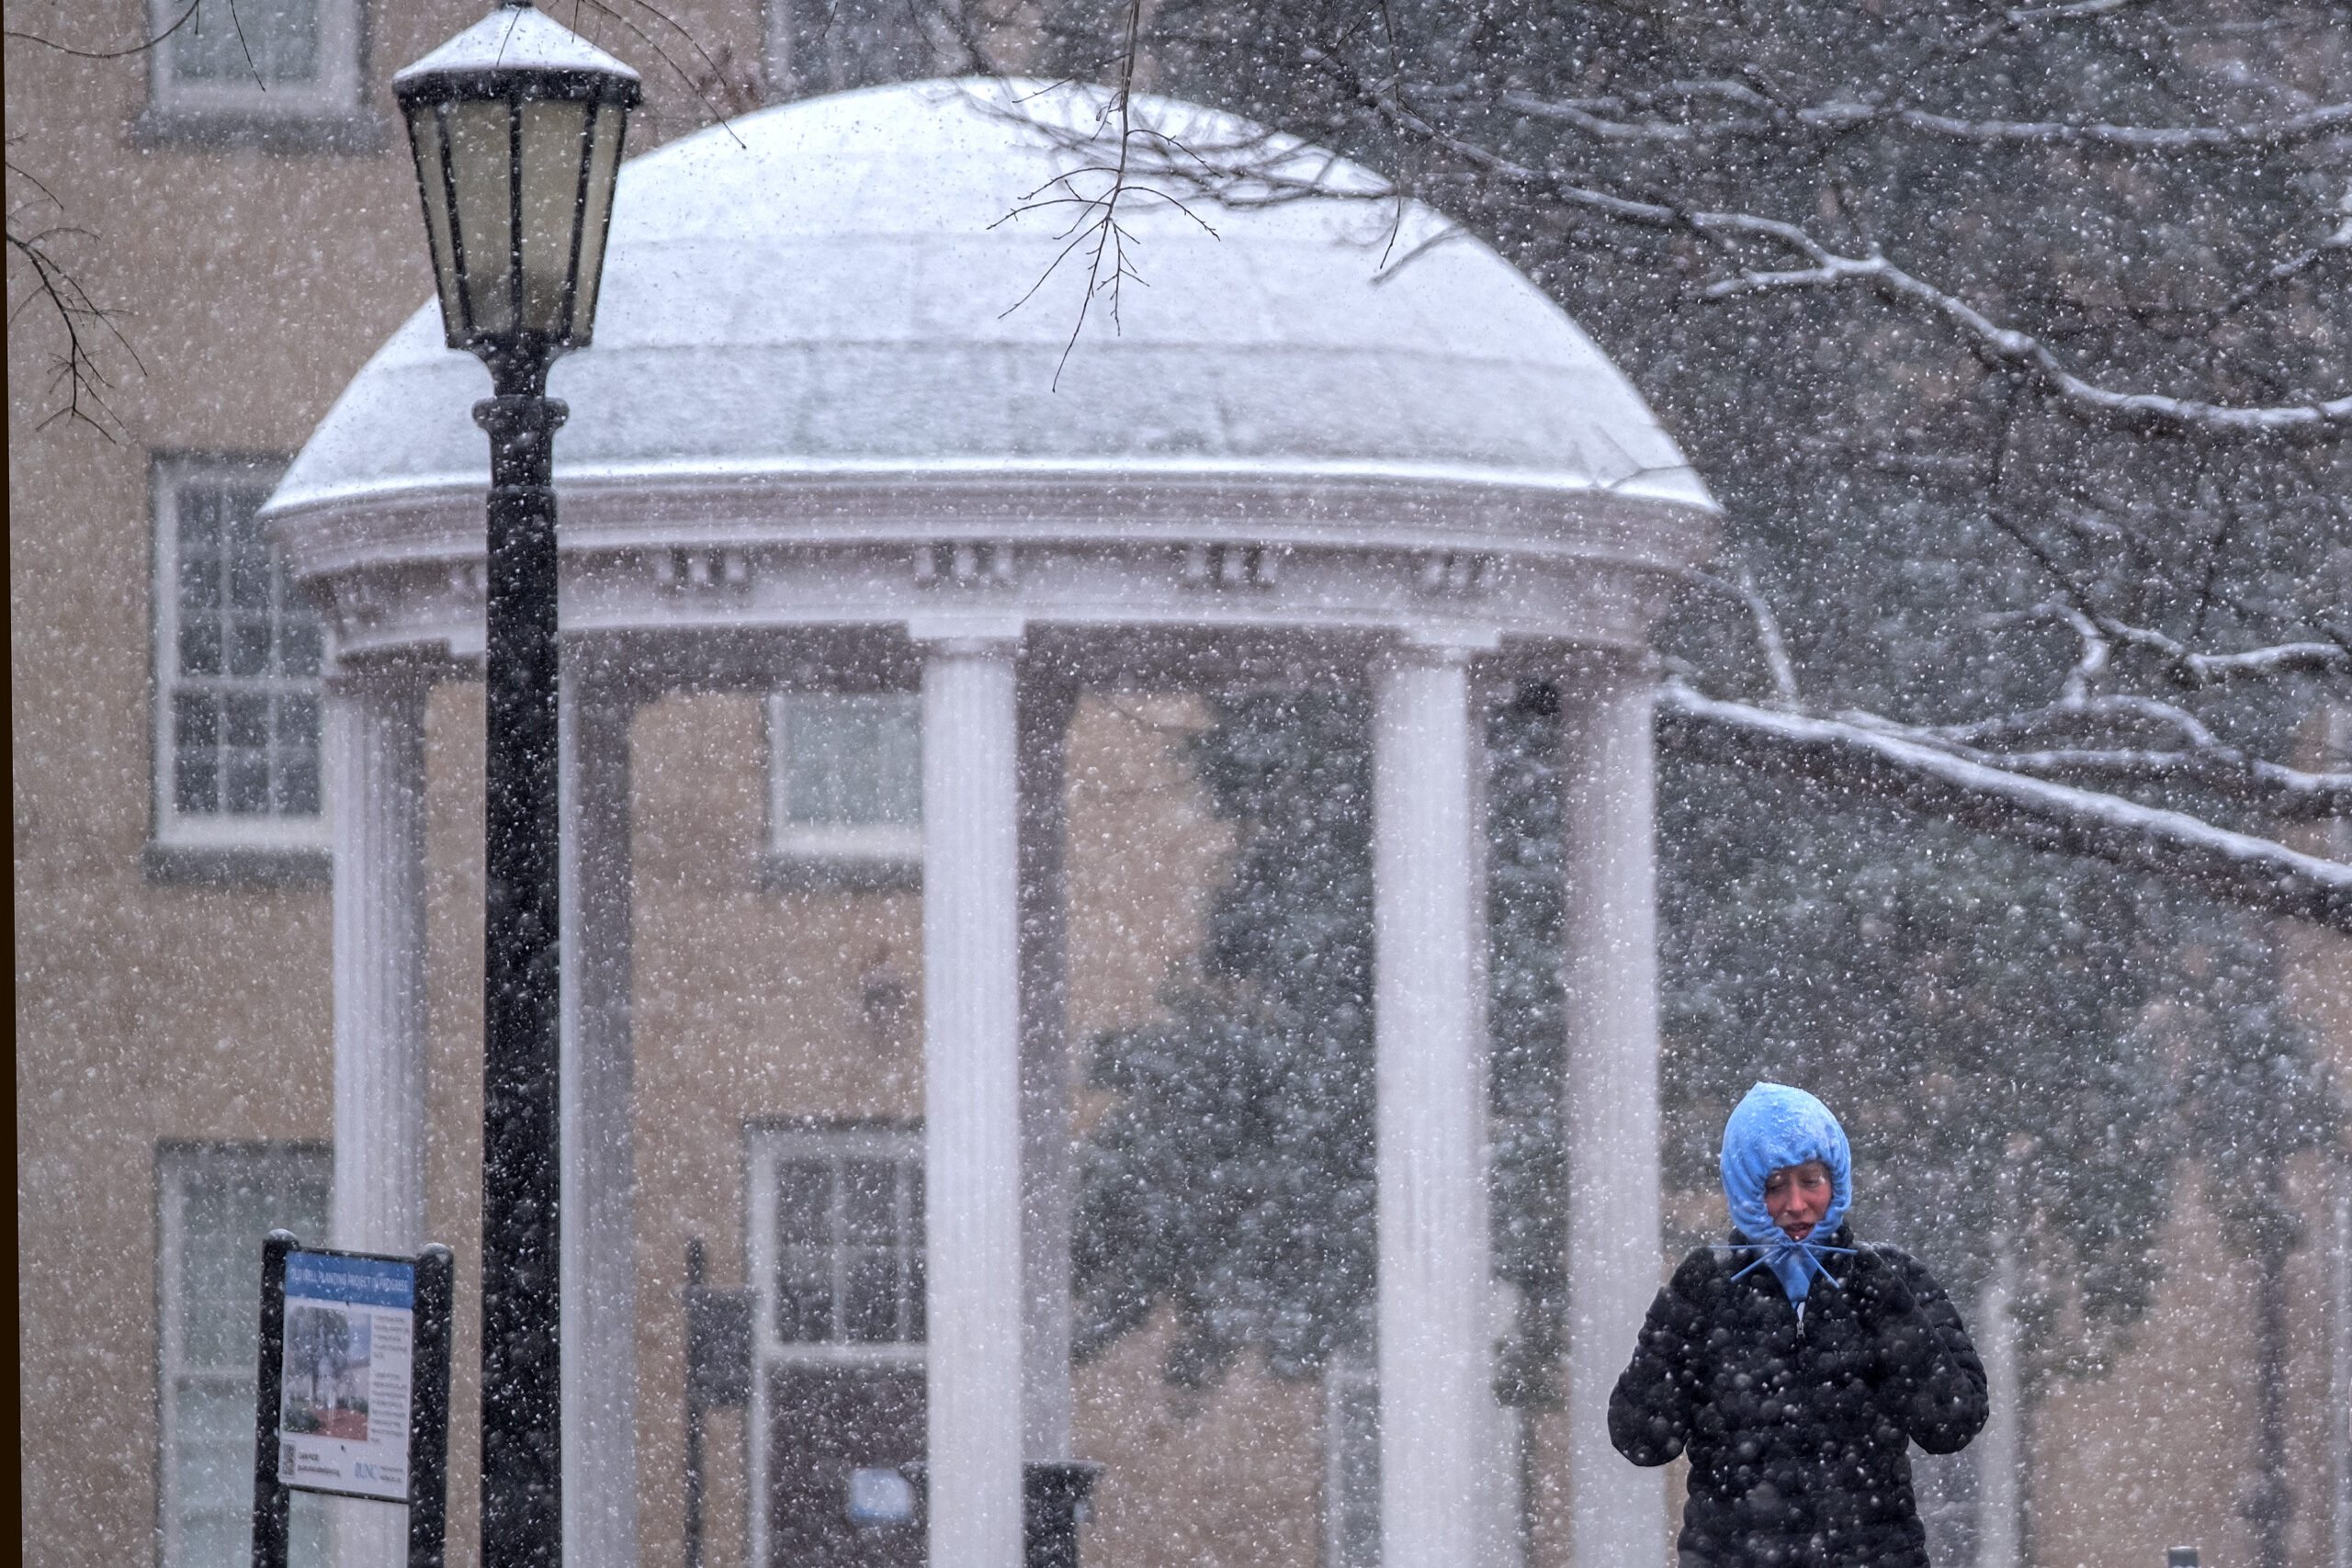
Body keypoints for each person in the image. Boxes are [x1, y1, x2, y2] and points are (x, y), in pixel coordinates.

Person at [1611, 1081, 1988, 1567]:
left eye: (1811, 1180)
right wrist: (1683, 1314)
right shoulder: (1707, 1287)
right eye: (1772, 1186)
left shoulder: (1892, 1276)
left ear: (1837, 1179)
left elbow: (1952, 1423)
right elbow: (1641, 1440)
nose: (1796, 1204)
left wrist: (1889, 1304)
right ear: (1743, 1189)